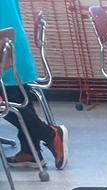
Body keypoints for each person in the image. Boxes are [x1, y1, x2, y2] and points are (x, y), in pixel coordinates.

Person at [0, 0, 67, 169]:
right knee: (19, 102)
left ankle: (50, 134)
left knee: (8, 105)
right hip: (14, 52)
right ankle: (30, 150)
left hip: (5, 58)